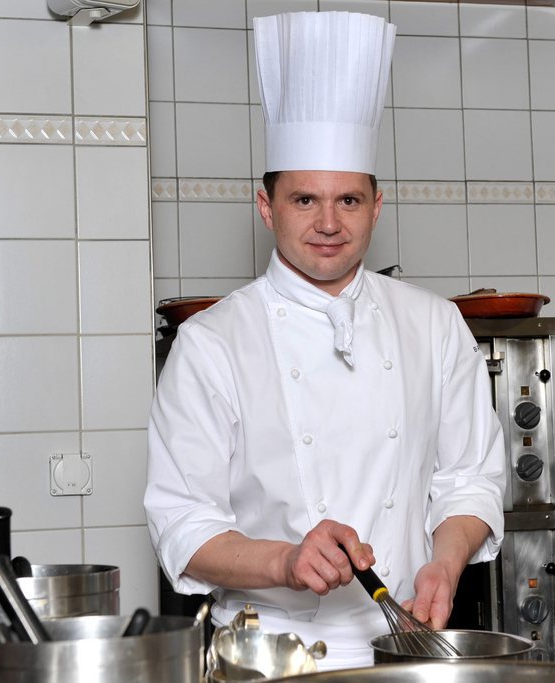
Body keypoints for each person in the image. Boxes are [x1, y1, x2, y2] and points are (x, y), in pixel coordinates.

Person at [144, 11, 506, 670]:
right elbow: (182, 524)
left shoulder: (434, 324)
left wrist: (445, 564)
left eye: (349, 200)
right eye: (305, 200)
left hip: (404, 643)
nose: (329, 223)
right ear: (266, 205)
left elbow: (471, 481)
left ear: (377, 203)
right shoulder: (211, 342)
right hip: (265, 654)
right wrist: (283, 558)